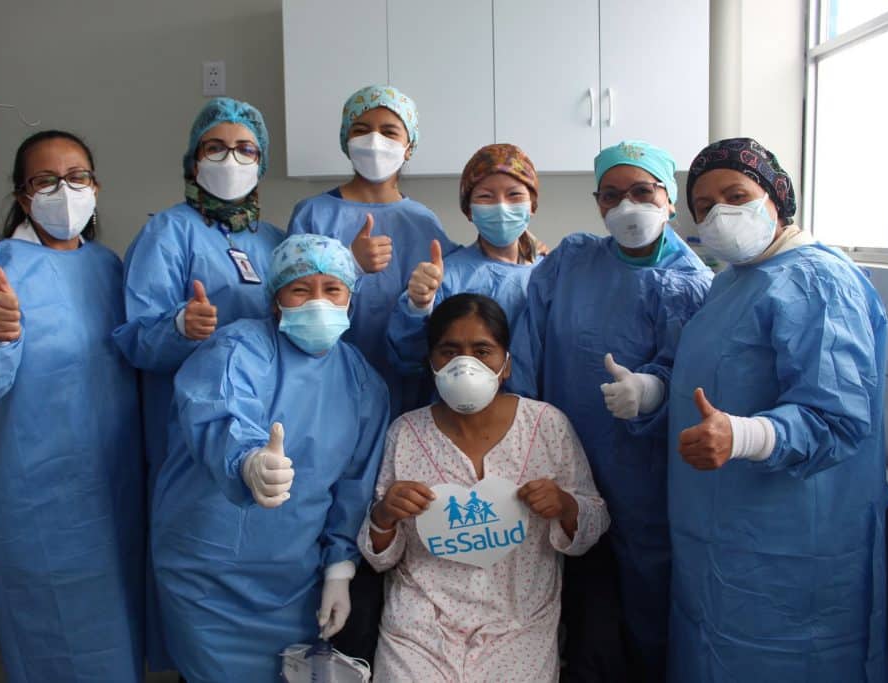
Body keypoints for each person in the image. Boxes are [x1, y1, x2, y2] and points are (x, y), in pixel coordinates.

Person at [667, 137, 888, 682]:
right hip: (723, 532)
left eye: (735, 195)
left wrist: (742, 437)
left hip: (793, 544)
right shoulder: (732, 281)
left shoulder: (818, 280)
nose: (719, 214)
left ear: (777, 197)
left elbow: (837, 418)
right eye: (704, 206)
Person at [0, 130, 144, 682]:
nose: (64, 191)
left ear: (96, 187)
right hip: (38, 493)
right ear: (23, 197)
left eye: (77, 177)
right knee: (55, 627)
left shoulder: (109, 267)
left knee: (115, 621)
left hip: (115, 477)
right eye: (45, 181)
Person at [509, 140, 713, 681]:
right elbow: (527, 349)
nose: (627, 205)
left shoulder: (690, 283)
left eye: (643, 191)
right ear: (597, 202)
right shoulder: (571, 261)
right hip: (555, 458)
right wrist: (519, 436)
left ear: (669, 199)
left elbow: (697, 378)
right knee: (566, 589)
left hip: (643, 472)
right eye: (612, 195)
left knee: (646, 592)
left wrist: (651, 390)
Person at [152, 234, 390, 682]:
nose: (318, 301)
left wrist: (339, 570)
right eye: (300, 289)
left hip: (294, 577)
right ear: (276, 300)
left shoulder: (363, 383)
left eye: (332, 289)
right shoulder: (236, 349)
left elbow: (355, 486)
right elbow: (218, 415)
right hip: (209, 573)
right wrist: (248, 462)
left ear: (351, 298)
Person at [112, 97, 284, 670]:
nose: (230, 159)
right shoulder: (168, 232)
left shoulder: (274, 240)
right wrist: (181, 327)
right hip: (187, 426)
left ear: (261, 162)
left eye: (245, 149)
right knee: (200, 554)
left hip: (264, 417)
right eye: (216, 147)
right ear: (193, 161)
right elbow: (136, 338)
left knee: (260, 536)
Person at [361, 293, 610, 682]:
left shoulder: (546, 426)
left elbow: (595, 522)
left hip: (518, 625)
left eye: (482, 351)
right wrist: (384, 516)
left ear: (506, 363)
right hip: (420, 626)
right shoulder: (406, 433)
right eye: (449, 352)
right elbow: (380, 558)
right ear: (431, 362)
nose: (465, 366)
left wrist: (565, 505)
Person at [287, 84, 460, 418]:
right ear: (346, 140)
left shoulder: (422, 222)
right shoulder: (314, 214)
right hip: (325, 379)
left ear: (408, 146)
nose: (375, 140)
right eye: (362, 130)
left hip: (405, 384)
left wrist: (522, 246)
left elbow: (461, 273)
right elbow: (290, 296)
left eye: (389, 131)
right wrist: (348, 264)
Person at [387, 143, 543, 378]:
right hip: (457, 400)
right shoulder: (447, 277)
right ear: (469, 210)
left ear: (532, 205)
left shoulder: (549, 274)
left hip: (536, 401)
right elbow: (409, 357)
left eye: (514, 195)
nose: (501, 206)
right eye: (486, 196)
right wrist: (418, 306)